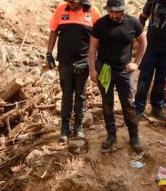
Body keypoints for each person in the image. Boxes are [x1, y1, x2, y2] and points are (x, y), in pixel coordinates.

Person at [88, 0, 147, 152]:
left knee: (128, 103)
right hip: (105, 69)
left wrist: (137, 63)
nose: (114, 15)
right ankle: (111, 135)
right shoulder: (100, 24)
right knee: (107, 103)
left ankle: (133, 136)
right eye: (111, 11)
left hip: (123, 70)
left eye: (117, 12)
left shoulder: (133, 23)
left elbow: (143, 41)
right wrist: (92, 69)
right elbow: (93, 47)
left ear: (123, 10)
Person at [47, 0, 100, 142]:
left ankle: (78, 126)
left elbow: (99, 37)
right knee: (66, 93)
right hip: (65, 61)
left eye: (75, 1)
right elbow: (53, 31)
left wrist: (96, 61)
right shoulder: (61, 9)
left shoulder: (93, 12)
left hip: (84, 62)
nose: (72, 4)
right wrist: (48, 53)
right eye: (69, 1)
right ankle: (65, 127)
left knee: (80, 95)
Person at [134, 0, 166, 119]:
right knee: (144, 78)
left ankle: (157, 107)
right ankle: (138, 108)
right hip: (151, 45)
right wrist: (138, 37)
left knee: (161, 79)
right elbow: (143, 16)